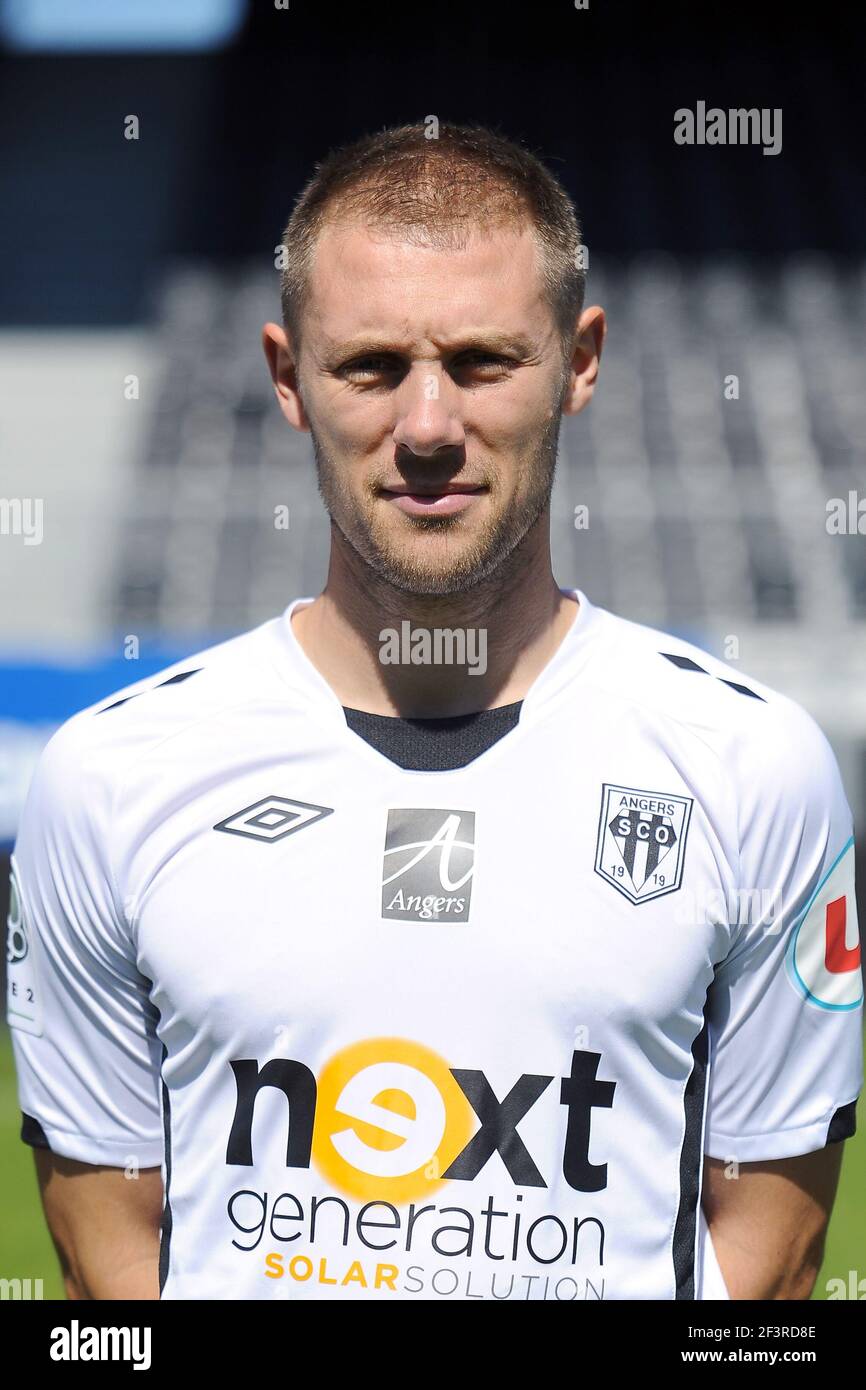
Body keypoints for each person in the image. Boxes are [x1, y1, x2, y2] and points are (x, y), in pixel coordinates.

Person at [7, 123, 862, 1301]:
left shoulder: (752, 766)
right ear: (285, 377)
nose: (423, 428)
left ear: (578, 358)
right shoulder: (110, 775)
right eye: (367, 366)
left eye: (479, 361)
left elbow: (769, 1258)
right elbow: (111, 1263)